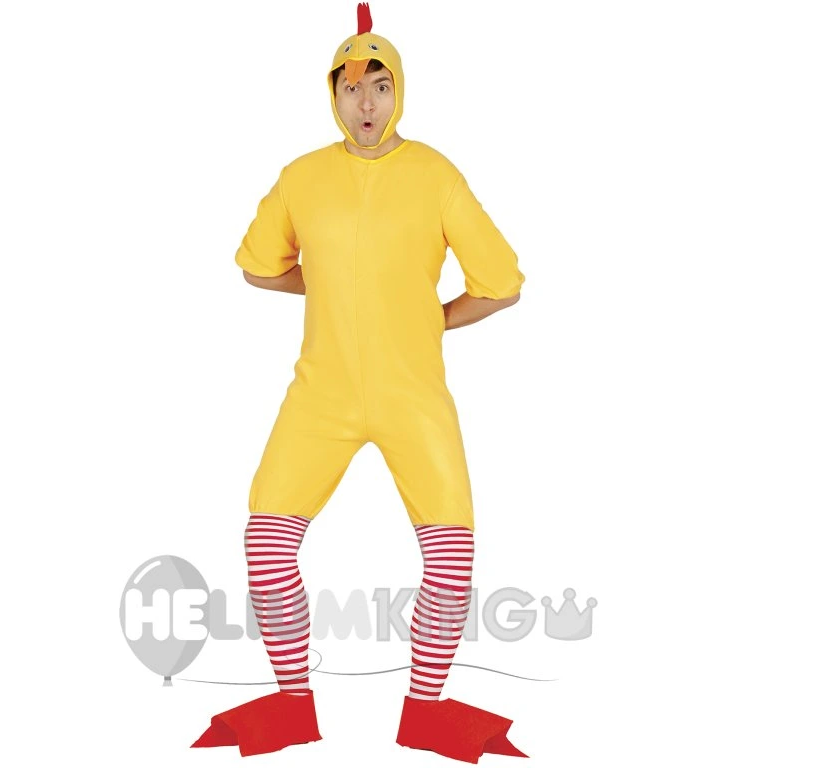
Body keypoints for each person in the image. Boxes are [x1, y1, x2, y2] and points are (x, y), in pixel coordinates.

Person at [192, 3, 527, 762]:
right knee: (265, 541)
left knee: (451, 557)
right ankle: (292, 701)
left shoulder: (435, 174)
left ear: (399, 92)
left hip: (415, 396)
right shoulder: (303, 177)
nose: (366, 104)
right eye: (351, 89)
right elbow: (258, 267)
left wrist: (429, 319)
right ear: (332, 96)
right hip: (323, 394)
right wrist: (332, 287)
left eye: (380, 86)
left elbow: (502, 284)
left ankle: (425, 710)